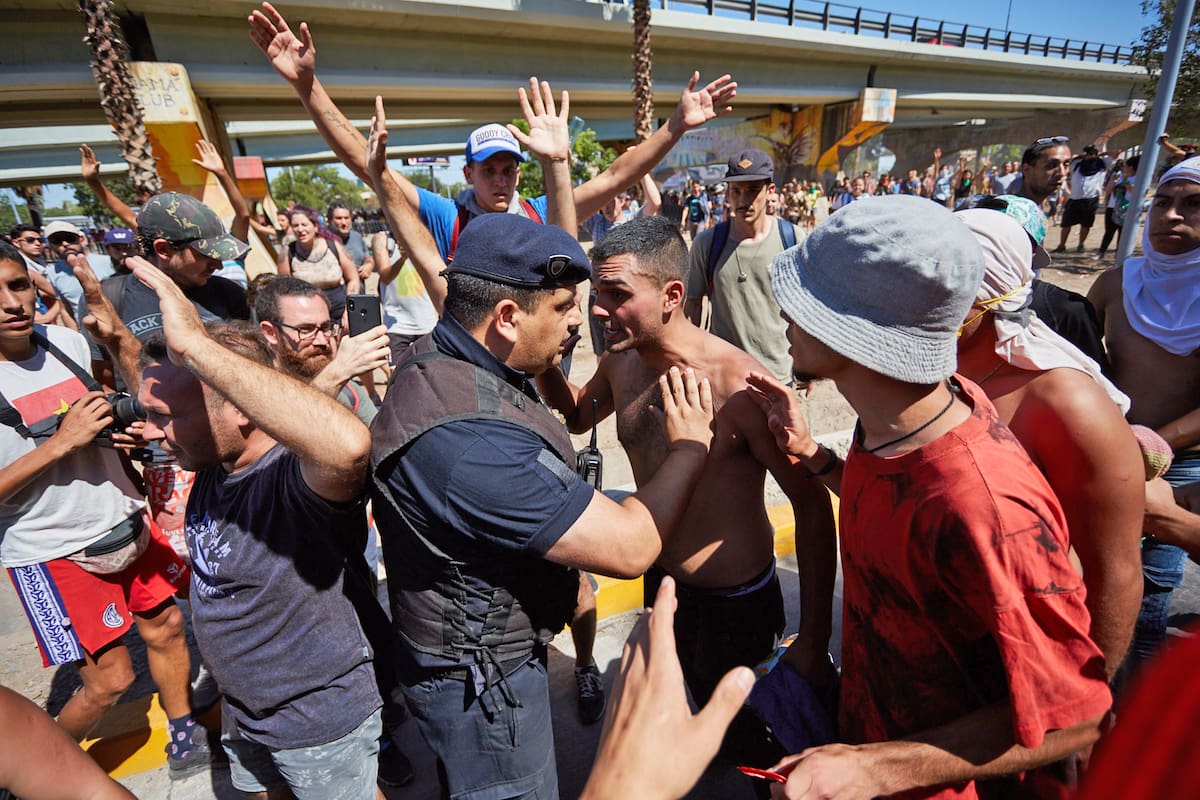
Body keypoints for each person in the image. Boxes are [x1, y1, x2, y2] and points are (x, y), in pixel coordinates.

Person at [751, 196, 1110, 798]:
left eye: (807, 300)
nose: (785, 313)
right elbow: (896, 505)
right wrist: (813, 455)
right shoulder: (904, 412)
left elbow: (1076, 718)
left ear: (858, 329)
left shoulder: (986, 508)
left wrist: (875, 768)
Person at [369, 212, 717, 800]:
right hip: (485, 688)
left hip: (478, 655)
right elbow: (630, 547)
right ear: (506, 317)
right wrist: (689, 447)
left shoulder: (460, 355)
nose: (581, 319)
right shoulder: (469, 441)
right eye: (562, 308)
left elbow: (568, 412)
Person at [536, 215, 835, 757]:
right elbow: (581, 414)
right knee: (683, 727)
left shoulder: (739, 387)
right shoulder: (621, 359)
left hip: (737, 608)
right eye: (596, 292)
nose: (598, 309)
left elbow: (812, 508)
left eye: (617, 293)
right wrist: (543, 362)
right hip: (663, 584)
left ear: (673, 294)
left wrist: (813, 639)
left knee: (752, 748)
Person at [134, 259, 386, 799]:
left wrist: (199, 350)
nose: (152, 433)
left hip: (315, 721)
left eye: (163, 416)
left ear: (242, 411)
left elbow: (348, 447)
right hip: (245, 709)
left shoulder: (289, 478)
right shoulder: (212, 461)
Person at [249, 0, 735, 258]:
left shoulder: (541, 210)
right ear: (469, 174)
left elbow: (615, 177)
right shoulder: (446, 217)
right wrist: (308, 86)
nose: (500, 179)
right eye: (489, 170)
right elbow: (365, 163)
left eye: (509, 169)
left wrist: (674, 126)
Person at [0, 241, 210, 778]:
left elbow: (99, 416)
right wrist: (59, 444)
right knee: (109, 680)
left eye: (18, 285)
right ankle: (27, 771)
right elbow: (65, 438)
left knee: (165, 627)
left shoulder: (66, 342)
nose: (12, 303)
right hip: (52, 550)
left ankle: (185, 731)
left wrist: (127, 437)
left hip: (123, 520)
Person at [953, 208, 1144, 677]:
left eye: (940, 282)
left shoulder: (1065, 402)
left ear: (991, 291)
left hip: (1032, 654)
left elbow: (1114, 571)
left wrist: (1088, 695)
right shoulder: (927, 375)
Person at [1088, 156, 1200, 672]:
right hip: (1111, 459)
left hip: (1178, 472)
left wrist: (1154, 444)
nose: (1172, 216)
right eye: (1164, 202)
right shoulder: (1115, 284)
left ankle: (1129, 735)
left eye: (1193, 205)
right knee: (1093, 589)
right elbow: (1079, 364)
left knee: (1146, 606)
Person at [684, 150, 799, 383]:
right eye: (736, 191)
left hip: (778, 375)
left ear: (771, 192)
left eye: (753, 190)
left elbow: (804, 310)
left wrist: (807, 365)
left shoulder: (793, 240)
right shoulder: (707, 243)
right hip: (723, 376)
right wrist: (689, 362)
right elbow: (693, 306)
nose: (743, 200)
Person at [277, 205, 361, 320]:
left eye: (304, 224)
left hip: (340, 312)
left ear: (315, 226)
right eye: (295, 226)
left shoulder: (334, 246)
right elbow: (284, 288)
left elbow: (353, 278)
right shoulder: (287, 252)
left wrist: (349, 311)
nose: (300, 230)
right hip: (307, 315)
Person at [1055, 145, 1109, 253]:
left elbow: (1116, 153)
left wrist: (1100, 155)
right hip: (1075, 198)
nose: (1089, 157)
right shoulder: (1077, 165)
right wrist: (1080, 156)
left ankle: (1080, 244)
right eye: (1087, 154)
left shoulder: (1102, 165)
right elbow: (1068, 161)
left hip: (1091, 199)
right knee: (1066, 224)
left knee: (1086, 225)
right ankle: (1061, 245)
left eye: (1091, 154)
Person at [1005, 136, 1071, 209]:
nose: (1062, 173)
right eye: (1052, 165)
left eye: (1066, 165)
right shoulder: (1010, 212)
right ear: (1027, 170)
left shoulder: (1034, 209)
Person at [329, 200, 373, 281]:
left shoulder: (357, 237)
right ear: (329, 221)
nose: (344, 222)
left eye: (346, 218)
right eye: (339, 218)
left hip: (359, 291)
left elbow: (367, 256)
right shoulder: (323, 241)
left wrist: (369, 264)